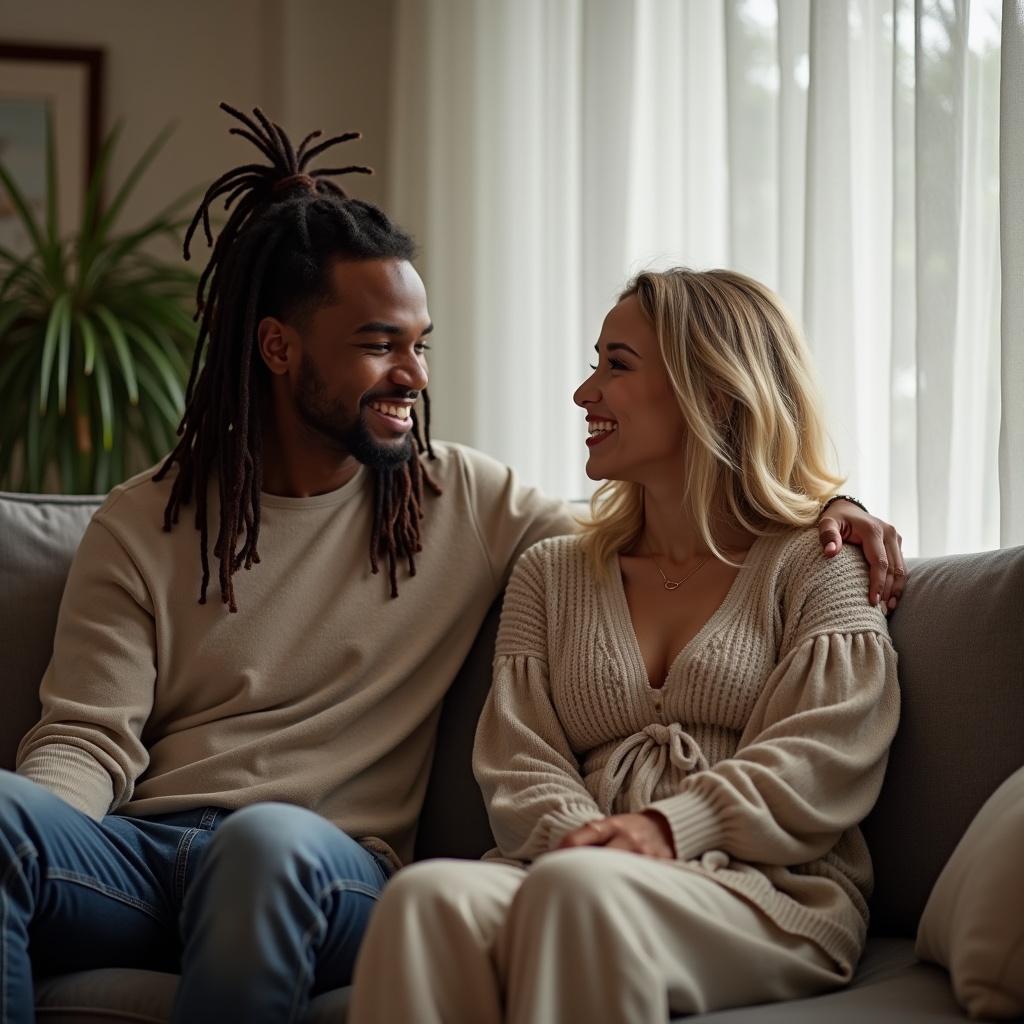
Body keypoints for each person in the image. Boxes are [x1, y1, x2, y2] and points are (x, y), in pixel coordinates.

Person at [0, 106, 899, 1024]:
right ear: (279, 348)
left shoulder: (459, 503)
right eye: (380, 345)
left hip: (311, 861)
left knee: (264, 845)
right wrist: (46, 835)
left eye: (419, 345)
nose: (416, 376)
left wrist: (832, 506)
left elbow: (698, 517)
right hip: (145, 857)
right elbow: (85, 739)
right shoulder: (144, 519)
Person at [348, 268, 902, 1024]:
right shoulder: (551, 572)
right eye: (593, 363)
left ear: (711, 394)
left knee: (576, 894)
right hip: (571, 871)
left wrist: (669, 828)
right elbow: (518, 758)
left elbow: (826, 755)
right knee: (423, 899)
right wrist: (590, 841)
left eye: (617, 364)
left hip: (765, 891)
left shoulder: (821, 561)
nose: (585, 393)